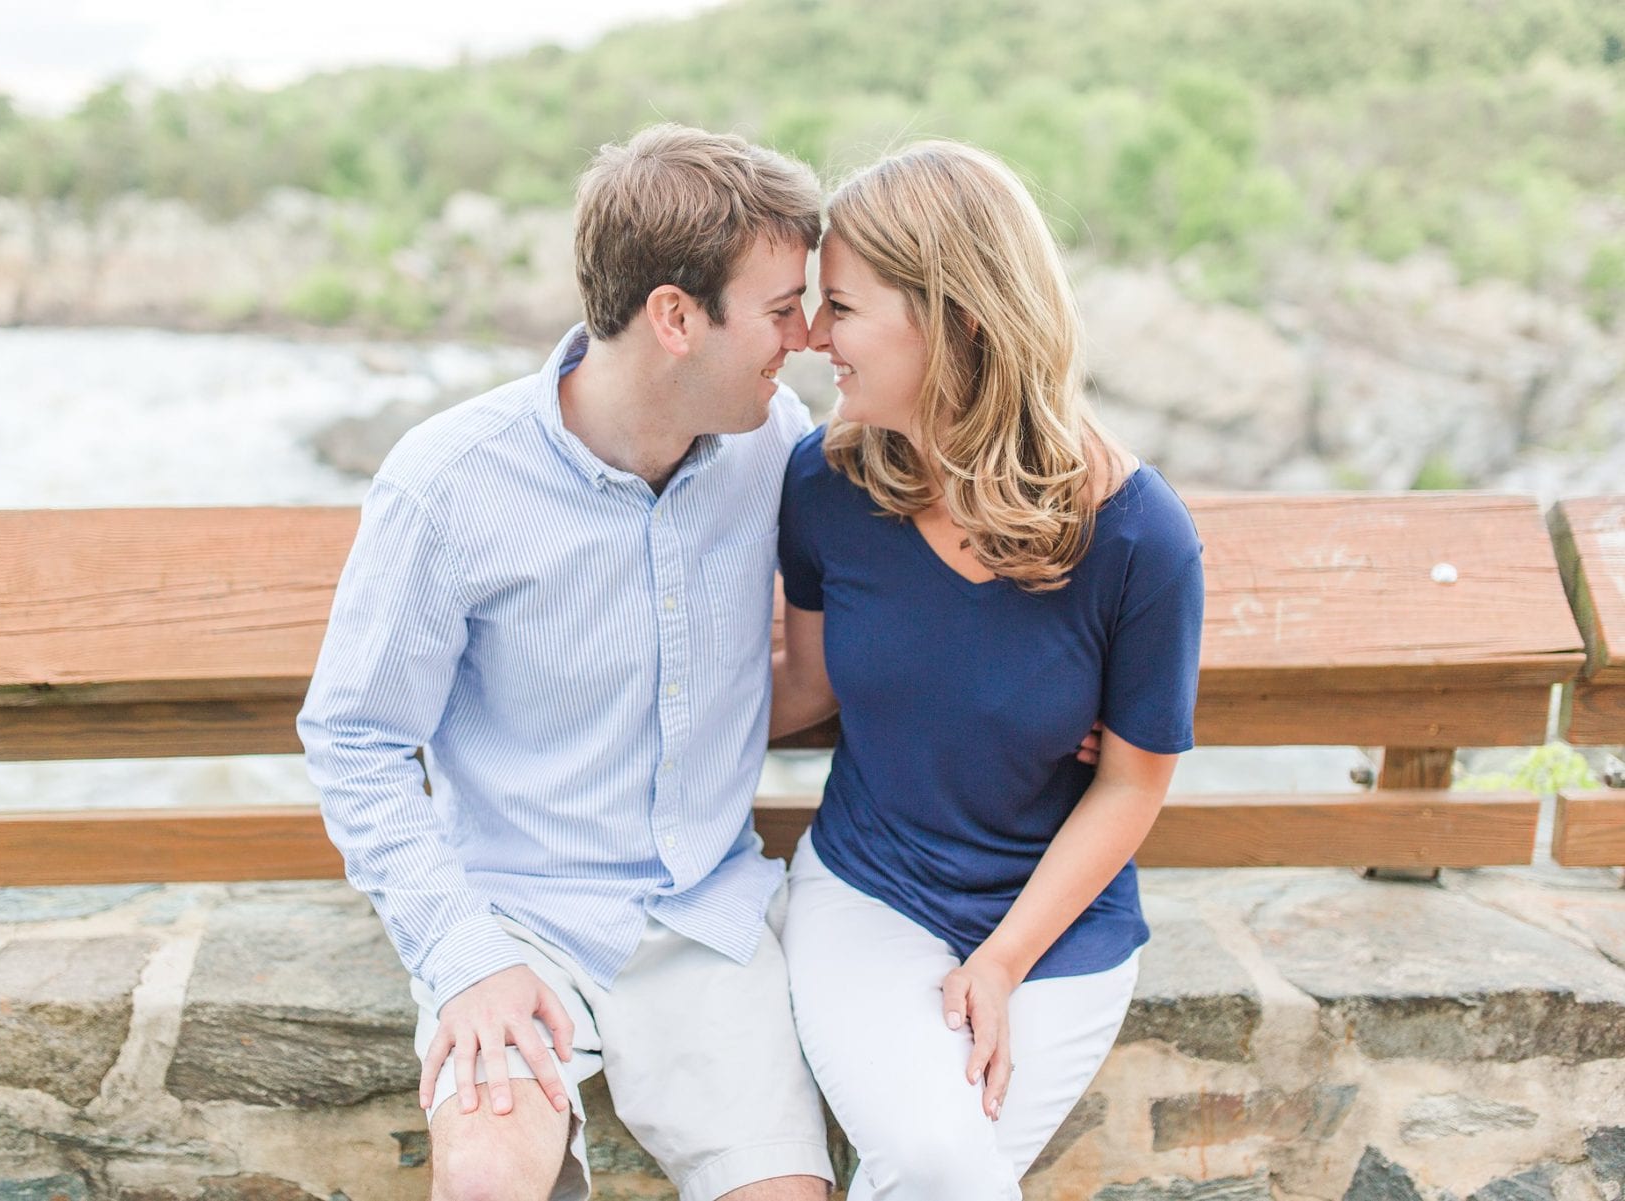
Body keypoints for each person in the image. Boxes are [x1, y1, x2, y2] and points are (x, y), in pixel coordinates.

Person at [297, 124, 836, 1201]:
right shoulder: (449, 480)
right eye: (780, 308)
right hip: (512, 914)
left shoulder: (777, 441)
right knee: (491, 1180)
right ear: (676, 317)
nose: (807, 334)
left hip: (707, 916)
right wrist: (460, 950)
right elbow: (353, 737)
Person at [770, 141, 1205, 1199]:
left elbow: (1134, 779)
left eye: (844, 307)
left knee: (933, 1169)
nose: (814, 337)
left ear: (957, 317)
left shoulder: (1139, 538)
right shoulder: (826, 484)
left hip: (1059, 930)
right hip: (868, 894)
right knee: (934, 1162)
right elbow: (806, 687)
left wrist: (1003, 961)